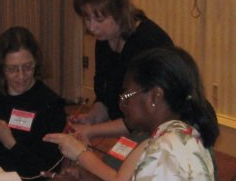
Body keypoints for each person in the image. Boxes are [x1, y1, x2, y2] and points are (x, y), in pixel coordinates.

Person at [43, 46, 219, 180]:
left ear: (154, 97)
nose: (122, 103)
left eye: (127, 94)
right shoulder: (166, 139)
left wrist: (81, 154)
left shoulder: (165, 150)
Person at [71, 0, 173, 124]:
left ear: (119, 13)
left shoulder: (148, 42)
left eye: (99, 19)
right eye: (87, 18)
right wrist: (91, 117)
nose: (91, 27)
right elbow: (106, 99)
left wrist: (90, 132)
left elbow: (142, 116)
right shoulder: (105, 38)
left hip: (168, 126)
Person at [0, 26, 66, 179]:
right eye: (12, 69)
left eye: (28, 67)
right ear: (1, 68)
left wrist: (9, 142)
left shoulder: (50, 105)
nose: (21, 76)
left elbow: (44, 172)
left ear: (37, 62)